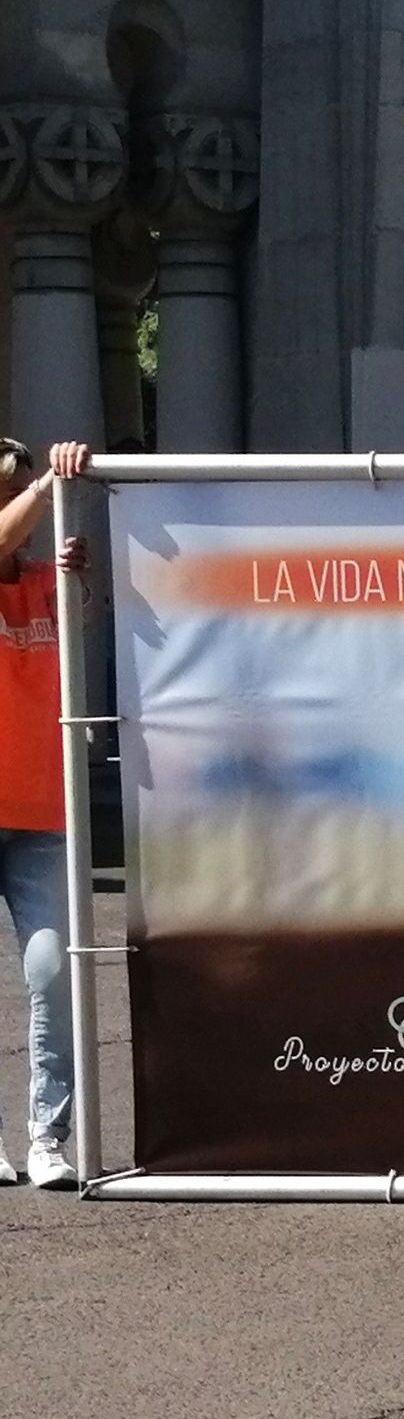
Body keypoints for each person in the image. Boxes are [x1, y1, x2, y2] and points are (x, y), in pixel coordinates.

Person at [0, 438, 89, 1188]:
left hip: (41, 815)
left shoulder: (40, 581)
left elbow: (77, 631)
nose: (22, 508)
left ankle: (46, 1136)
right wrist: (55, 480)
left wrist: (75, 584)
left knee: (52, 973)